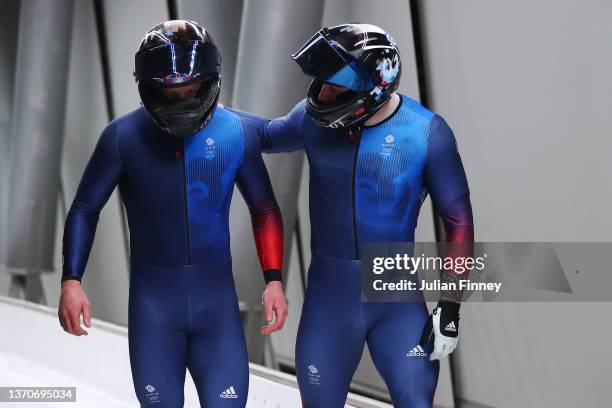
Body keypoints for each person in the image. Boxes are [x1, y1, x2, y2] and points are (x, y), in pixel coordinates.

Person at [58, 20, 288, 408]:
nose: (182, 101)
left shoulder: (236, 133)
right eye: (170, 92)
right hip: (154, 310)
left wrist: (275, 281)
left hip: (216, 309)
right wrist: (71, 281)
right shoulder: (121, 137)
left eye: (191, 90)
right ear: (150, 89)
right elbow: (84, 207)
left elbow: (263, 207)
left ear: (208, 81)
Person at [245, 23, 474, 407]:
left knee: (416, 399)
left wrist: (450, 306)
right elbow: (265, 136)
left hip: (395, 300)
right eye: (321, 81)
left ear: (374, 85)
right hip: (329, 301)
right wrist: (206, 106)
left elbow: (458, 221)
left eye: (335, 84)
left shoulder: (425, 132)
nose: (322, 91)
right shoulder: (310, 118)